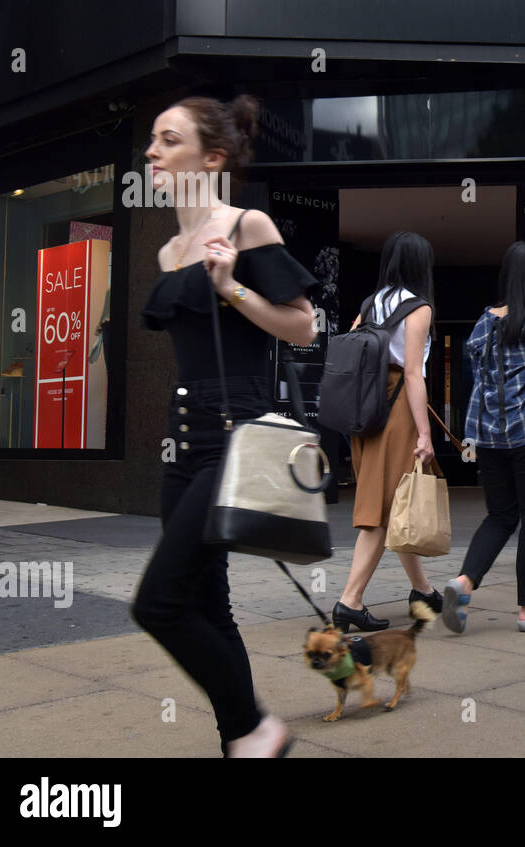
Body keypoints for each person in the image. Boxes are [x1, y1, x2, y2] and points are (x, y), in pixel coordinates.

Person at [136, 95, 318, 756]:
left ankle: (256, 728)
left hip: (234, 439)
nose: (152, 151)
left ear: (212, 157)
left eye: (169, 139)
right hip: (181, 446)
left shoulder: (247, 226)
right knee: (207, 605)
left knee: (156, 603)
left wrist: (231, 288)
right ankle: (241, 743)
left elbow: (304, 324)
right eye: (152, 139)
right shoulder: (166, 252)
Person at [442, 242, 525, 633]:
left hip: (488, 437)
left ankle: (464, 582)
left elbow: (475, 368)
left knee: (500, 516)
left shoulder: (485, 321)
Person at [332, 232, 443, 633]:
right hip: (395, 408)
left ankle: (423, 591)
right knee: (382, 511)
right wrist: (425, 433)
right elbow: (413, 373)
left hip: (363, 411)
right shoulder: (420, 308)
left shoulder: (370, 304)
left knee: (395, 502)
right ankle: (349, 601)